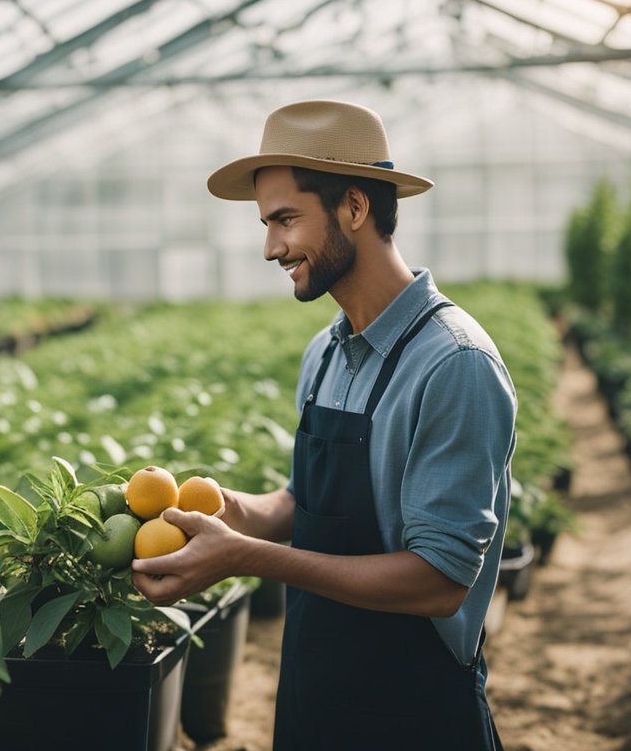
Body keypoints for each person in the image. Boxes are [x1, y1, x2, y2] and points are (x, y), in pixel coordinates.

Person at [131, 100, 514, 749]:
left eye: (285, 220)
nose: (270, 247)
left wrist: (247, 558)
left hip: (415, 714)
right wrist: (223, 513)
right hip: (316, 696)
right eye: (265, 224)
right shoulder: (328, 351)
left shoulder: (454, 363)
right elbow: (303, 504)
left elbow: (440, 580)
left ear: (355, 208)